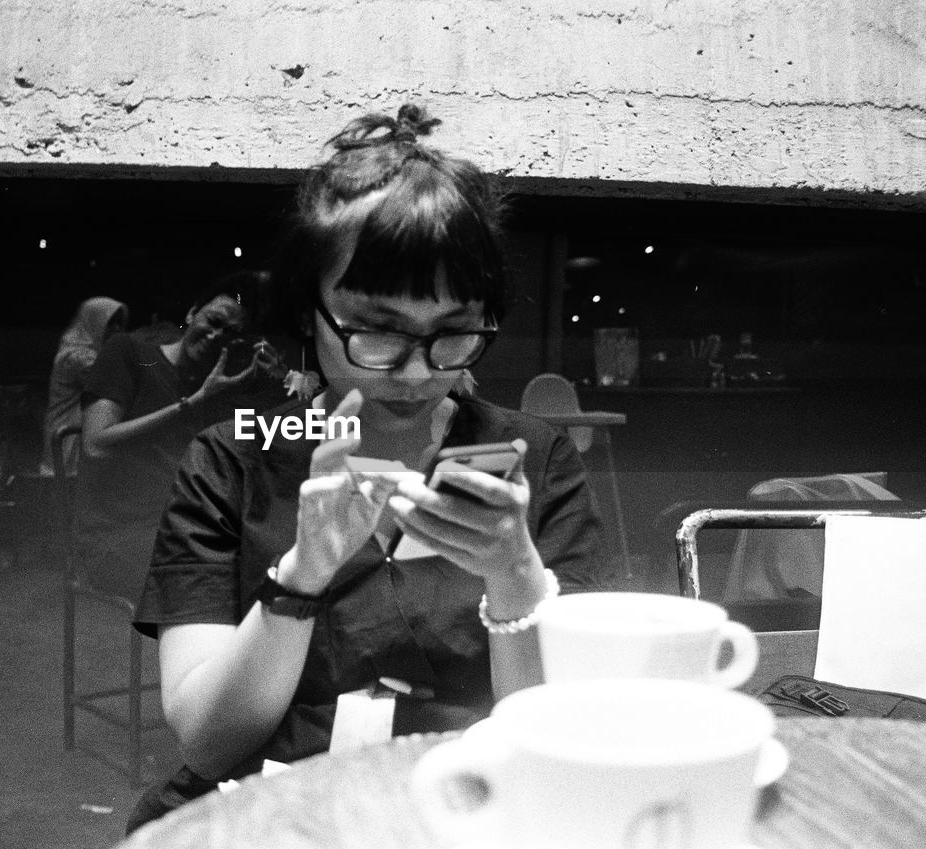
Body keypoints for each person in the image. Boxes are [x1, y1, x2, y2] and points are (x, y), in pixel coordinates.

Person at [127, 104, 617, 831]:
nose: (417, 373)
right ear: (308, 311)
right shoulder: (234, 458)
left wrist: (515, 577)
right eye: (376, 331)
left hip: (467, 813)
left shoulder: (533, 459)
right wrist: (300, 577)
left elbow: (558, 733)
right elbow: (207, 736)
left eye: (453, 334)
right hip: (272, 807)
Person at [77, 272, 281, 599]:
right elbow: (96, 445)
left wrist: (276, 389)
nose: (216, 336)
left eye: (232, 333)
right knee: (235, 577)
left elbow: (265, 456)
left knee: (282, 560)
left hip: (187, 532)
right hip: (117, 540)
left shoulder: (220, 388)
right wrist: (193, 404)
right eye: (213, 321)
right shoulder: (128, 352)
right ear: (191, 313)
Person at [38, 296, 128, 477]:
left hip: (75, 437)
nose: (117, 330)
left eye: (120, 323)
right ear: (94, 322)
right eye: (110, 324)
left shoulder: (83, 351)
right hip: (69, 442)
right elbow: (114, 386)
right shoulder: (79, 357)